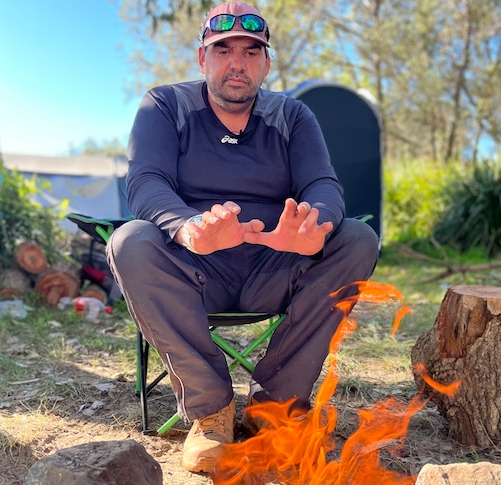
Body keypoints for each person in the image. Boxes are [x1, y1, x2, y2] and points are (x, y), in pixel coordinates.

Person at [106, 0, 380, 474]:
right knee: (130, 241)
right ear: (202, 59)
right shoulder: (165, 105)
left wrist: (313, 229)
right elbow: (146, 183)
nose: (238, 63)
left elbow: (323, 184)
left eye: (252, 52)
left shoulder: (293, 116)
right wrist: (189, 229)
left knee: (357, 238)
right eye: (224, 50)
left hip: (275, 265)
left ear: (267, 63)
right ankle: (211, 412)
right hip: (194, 269)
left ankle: (274, 407)